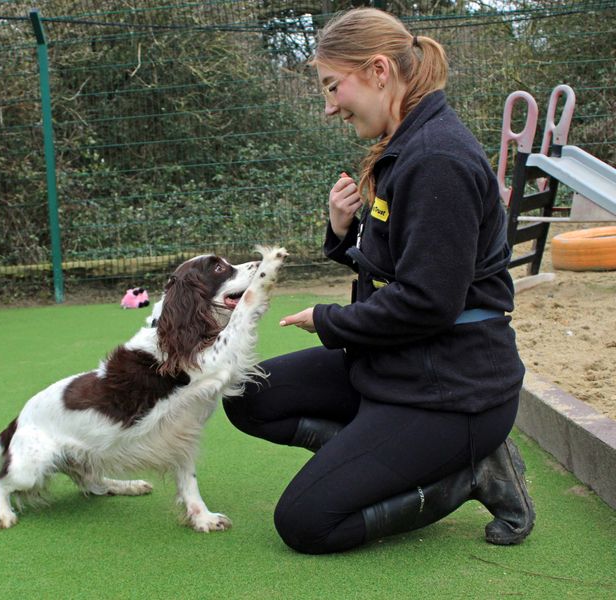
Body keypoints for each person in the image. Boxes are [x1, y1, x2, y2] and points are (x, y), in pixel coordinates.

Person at [223, 7, 535, 555]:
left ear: (378, 70)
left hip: (452, 392)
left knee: (306, 523)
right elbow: (406, 270)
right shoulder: (408, 146)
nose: (328, 107)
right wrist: (343, 234)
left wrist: (329, 321)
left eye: (332, 86)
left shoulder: (436, 157)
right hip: (398, 366)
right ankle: (380, 458)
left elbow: (428, 302)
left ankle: (470, 473)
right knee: (245, 393)